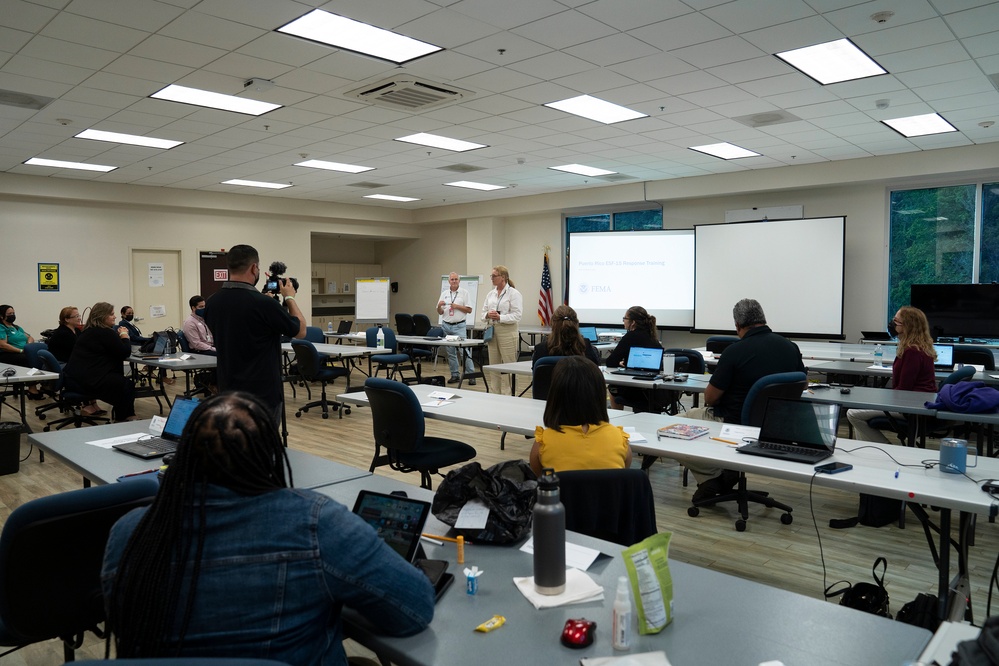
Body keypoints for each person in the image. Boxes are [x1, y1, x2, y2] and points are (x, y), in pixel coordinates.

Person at [102, 392, 435, 664]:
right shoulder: (315, 524)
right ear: (271, 456)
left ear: (183, 455)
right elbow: (413, 610)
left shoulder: (129, 532)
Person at [685, 298, 805, 501]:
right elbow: (803, 384)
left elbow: (711, 398)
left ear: (737, 325)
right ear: (763, 319)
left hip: (735, 423)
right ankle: (727, 471)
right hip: (776, 426)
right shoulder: (789, 347)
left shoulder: (734, 351)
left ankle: (711, 477)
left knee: (677, 424)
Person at [204, 244, 306, 421]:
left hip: (228, 390)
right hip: (261, 394)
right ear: (254, 268)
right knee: (262, 447)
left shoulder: (212, 302)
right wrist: (289, 297)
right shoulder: (264, 304)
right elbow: (301, 331)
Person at [847, 306, 938, 443]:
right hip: (917, 403)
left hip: (910, 407)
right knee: (861, 410)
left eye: (896, 321)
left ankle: (883, 448)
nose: (892, 323)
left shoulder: (912, 351)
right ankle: (873, 452)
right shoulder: (919, 346)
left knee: (852, 414)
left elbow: (903, 389)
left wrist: (881, 399)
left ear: (907, 326)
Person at [530, 356, 631, 475]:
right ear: (599, 396)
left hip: (563, 494)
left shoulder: (543, 443)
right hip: (606, 494)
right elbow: (623, 474)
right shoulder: (619, 439)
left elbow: (541, 479)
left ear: (555, 397)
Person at [63, 302, 136, 421]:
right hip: (88, 380)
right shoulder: (105, 332)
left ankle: (126, 416)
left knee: (120, 383)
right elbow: (124, 352)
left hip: (74, 378)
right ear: (102, 316)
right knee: (126, 385)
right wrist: (124, 336)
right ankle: (124, 419)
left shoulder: (89, 330)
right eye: (111, 314)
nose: (115, 317)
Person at [604, 306, 663, 410]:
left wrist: (619, 363)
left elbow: (610, 362)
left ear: (633, 322)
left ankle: (617, 416)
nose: (623, 321)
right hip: (653, 388)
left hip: (635, 388)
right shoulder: (652, 336)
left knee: (613, 387)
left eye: (625, 318)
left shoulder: (630, 336)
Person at [481, 265, 523, 395]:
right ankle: (495, 393)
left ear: (503, 277)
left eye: (494, 276)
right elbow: (483, 312)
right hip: (493, 331)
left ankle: (510, 394)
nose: (492, 278)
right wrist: (488, 315)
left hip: (508, 331)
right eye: (491, 276)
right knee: (494, 366)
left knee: (509, 366)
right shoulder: (491, 294)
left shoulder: (514, 293)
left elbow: (517, 315)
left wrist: (500, 317)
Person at [436, 272, 475, 385]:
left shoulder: (464, 293)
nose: (454, 281)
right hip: (446, 325)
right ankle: (455, 375)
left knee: (464, 351)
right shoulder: (444, 293)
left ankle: (471, 375)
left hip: (459, 325)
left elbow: (469, 310)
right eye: (452, 279)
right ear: (449, 281)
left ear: (459, 281)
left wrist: (456, 306)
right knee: (451, 352)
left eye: (456, 279)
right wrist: (439, 306)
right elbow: (440, 311)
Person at [531, 304, 599, 367]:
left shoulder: (541, 350)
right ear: (576, 324)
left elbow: (537, 376)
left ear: (553, 324)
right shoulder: (586, 347)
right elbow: (595, 375)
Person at [0, 304, 45, 398]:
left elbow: (30, 337)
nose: (12, 315)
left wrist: (28, 346)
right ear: (1, 316)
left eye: (13, 313)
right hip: (7, 354)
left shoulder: (17, 327)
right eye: (9, 314)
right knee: (27, 359)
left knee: (41, 356)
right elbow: (3, 345)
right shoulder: (2, 328)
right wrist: (20, 350)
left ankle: (45, 384)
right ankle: (32, 388)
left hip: (23, 352)